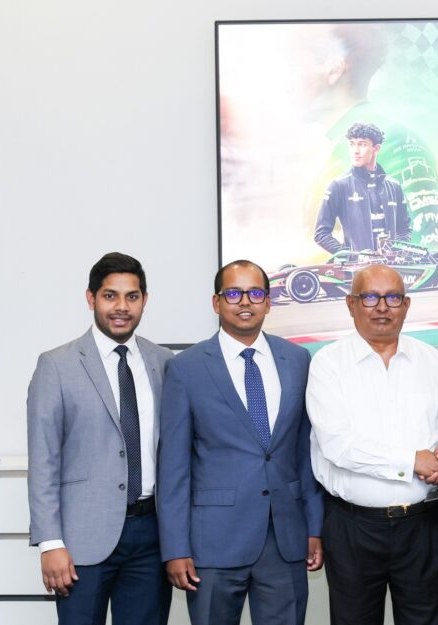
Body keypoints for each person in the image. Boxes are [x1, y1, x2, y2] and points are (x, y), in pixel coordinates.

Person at [158, 260, 323, 625]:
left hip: (285, 539)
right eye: (233, 293)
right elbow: (173, 467)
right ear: (216, 303)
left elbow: (305, 452)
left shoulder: (297, 360)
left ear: (269, 302)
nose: (244, 301)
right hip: (212, 543)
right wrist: (175, 547)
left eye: (255, 293)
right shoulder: (186, 368)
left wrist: (314, 527)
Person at [306, 265, 438, 625]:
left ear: (406, 305)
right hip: (353, 528)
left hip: (424, 527)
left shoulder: (431, 360)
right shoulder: (328, 364)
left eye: (392, 298)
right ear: (351, 304)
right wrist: (412, 461)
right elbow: (338, 446)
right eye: (370, 297)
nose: (381, 307)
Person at [27, 252, 174, 624]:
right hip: (81, 540)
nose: (121, 307)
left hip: (152, 536)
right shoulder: (56, 365)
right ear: (91, 298)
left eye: (132, 296)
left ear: (144, 300)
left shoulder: (163, 361)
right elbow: (44, 461)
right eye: (110, 296)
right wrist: (50, 543)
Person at [314, 122, 412, 255]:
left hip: (391, 266)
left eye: (362, 144)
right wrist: (350, 257)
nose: (355, 150)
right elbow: (321, 234)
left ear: (376, 148)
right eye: (351, 144)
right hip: (358, 267)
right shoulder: (338, 185)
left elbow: (405, 230)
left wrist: (396, 252)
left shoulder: (394, 186)